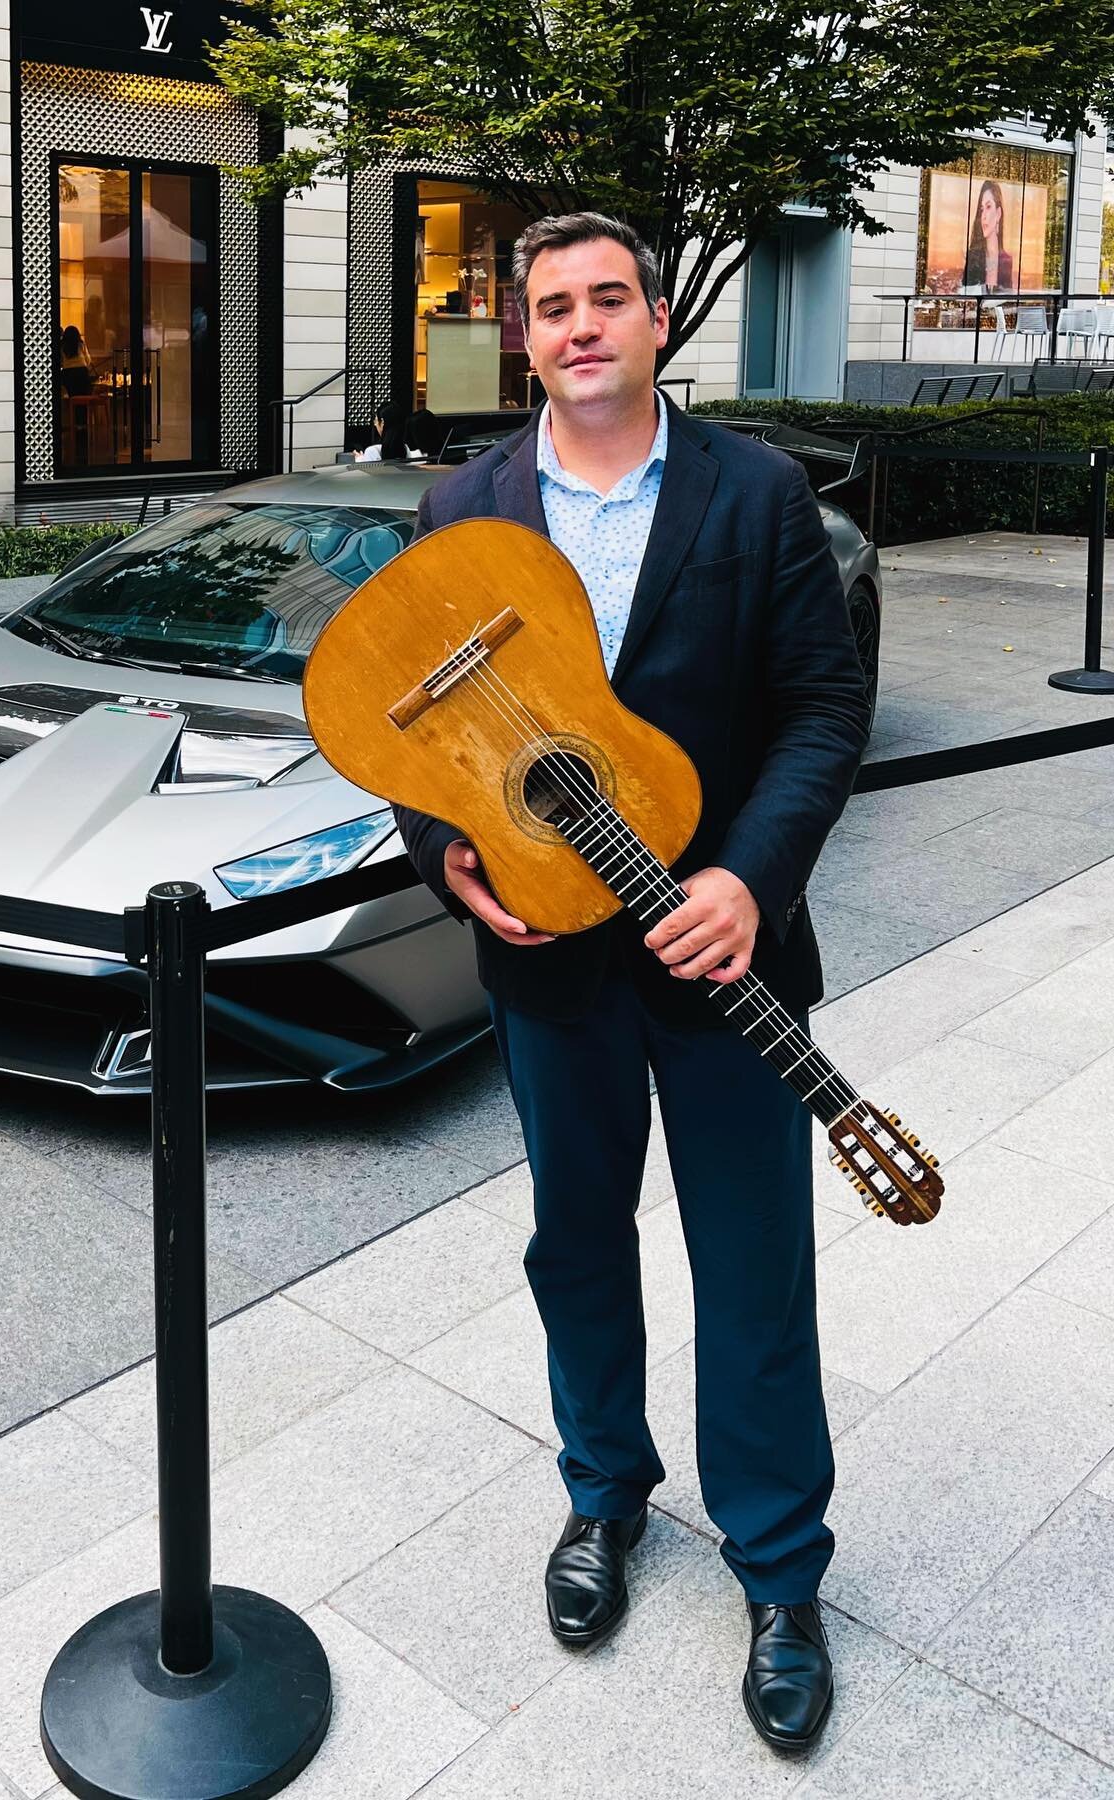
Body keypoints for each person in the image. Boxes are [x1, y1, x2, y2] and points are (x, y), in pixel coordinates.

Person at [393, 211, 870, 1755]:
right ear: (523, 337)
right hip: (551, 976)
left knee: (753, 1269)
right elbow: (422, 744)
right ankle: (603, 1499)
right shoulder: (464, 509)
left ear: (659, 323)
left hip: (723, 955)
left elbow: (817, 710)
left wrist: (750, 878)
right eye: (552, 308)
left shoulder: (759, 495)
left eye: (609, 300)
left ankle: (782, 1573)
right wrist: (445, 859)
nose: (581, 326)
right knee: (577, 1247)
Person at [962, 179, 1014, 292]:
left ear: (998, 213)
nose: (983, 216)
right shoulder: (973, 257)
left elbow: (1007, 298)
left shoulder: (1006, 260)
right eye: (981, 209)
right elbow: (966, 294)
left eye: (988, 207)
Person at [356, 401, 421, 462]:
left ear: (382, 422)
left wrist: (360, 460)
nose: (375, 424)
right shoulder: (406, 449)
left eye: (376, 420)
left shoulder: (373, 451)